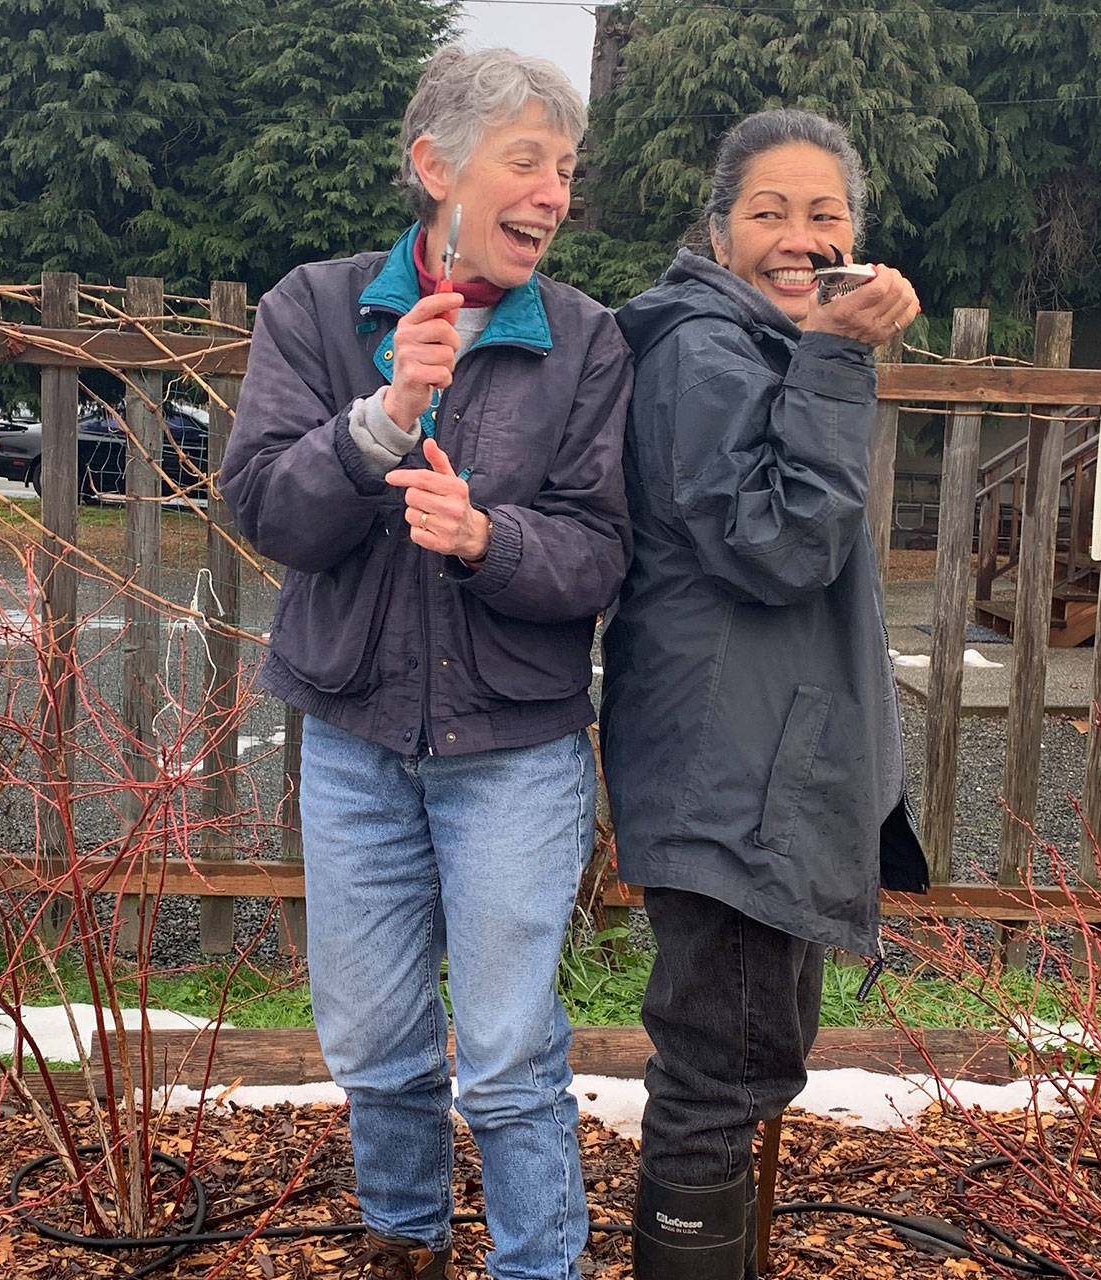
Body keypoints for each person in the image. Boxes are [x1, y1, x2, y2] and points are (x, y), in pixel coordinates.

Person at [221, 47, 632, 1280]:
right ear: (433, 167)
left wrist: (488, 541)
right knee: (372, 1036)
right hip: (354, 737)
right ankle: (402, 1242)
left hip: (514, 749)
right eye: (526, 161)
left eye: (563, 169)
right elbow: (264, 511)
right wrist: (382, 419)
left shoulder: (585, 341)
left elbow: (603, 552)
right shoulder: (315, 307)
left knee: (505, 1049)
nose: (552, 193)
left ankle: (536, 1264)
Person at [599, 109, 930, 1280]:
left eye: (825, 215)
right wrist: (840, 356)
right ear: (717, 229)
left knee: (744, 1054)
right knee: (717, 1065)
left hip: (756, 769)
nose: (800, 238)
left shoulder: (762, 346)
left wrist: (828, 353)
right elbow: (782, 543)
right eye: (769, 213)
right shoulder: (703, 349)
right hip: (731, 778)